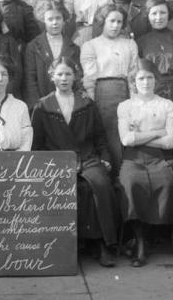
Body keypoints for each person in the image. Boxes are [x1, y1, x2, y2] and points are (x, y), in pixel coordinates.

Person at [31, 57, 119, 267]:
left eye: (68, 74)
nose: (64, 78)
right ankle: (67, 244)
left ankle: (101, 243)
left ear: (75, 76)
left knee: (99, 185)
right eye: (59, 74)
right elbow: (37, 144)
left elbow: (100, 137)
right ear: (52, 77)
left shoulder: (86, 103)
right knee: (64, 188)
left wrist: (105, 158)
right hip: (56, 160)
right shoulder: (43, 106)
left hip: (87, 156)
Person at [117, 58, 173, 267]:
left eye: (150, 78)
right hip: (133, 158)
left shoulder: (167, 105)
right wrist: (158, 132)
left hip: (161, 159)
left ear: (156, 80)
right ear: (133, 82)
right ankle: (141, 242)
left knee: (168, 183)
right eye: (141, 78)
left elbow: (171, 142)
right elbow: (126, 140)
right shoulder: (125, 106)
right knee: (131, 183)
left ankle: (151, 235)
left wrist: (141, 135)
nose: (145, 82)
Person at [80, 3, 139, 176]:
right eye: (111, 21)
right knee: (107, 135)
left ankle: (125, 176)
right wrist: (92, 103)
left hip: (125, 92)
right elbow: (89, 79)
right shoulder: (91, 46)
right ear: (102, 21)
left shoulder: (130, 44)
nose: (115, 25)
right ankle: (110, 177)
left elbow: (133, 74)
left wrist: (135, 102)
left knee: (125, 133)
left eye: (119, 22)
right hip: (102, 94)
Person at [136, 0, 173, 167]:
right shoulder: (141, 41)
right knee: (153, 129)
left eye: (162, 13)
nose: (158, 17)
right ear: (148, 16)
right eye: (154, 13)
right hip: (151, 89)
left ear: (169, 14)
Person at [23, 1, 80, 108]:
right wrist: (37, 105)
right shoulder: (34, 46)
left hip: (67, 103)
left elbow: (77, 77)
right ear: (43, 20)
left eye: (58, 18)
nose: (55, 23)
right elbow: (30, 79)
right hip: (42, 103)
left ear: (64, 20)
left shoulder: (73, 48)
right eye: (50, 19)